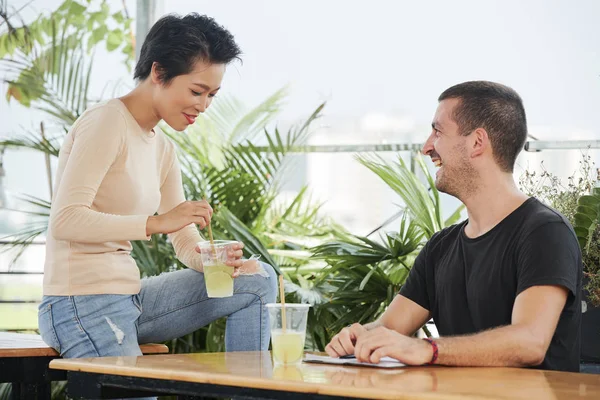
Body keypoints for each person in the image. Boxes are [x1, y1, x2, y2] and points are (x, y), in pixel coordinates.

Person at [38, 13, 278, 366]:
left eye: (212, 95)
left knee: (257, 279)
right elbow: (66, 220)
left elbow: (184, 240)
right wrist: (154, 222)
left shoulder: (163, 148)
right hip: (79, 302)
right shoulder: (107, 122)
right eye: (197, 91)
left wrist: (215, 260)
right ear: (158, 72)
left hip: (131, 299)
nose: (204, 105)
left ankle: (246, 389)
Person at [325, 81, 582, 372]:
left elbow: (530, 342)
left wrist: (426, 349)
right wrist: (359, 338)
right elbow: (390, 328)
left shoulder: (545, 232)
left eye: (437, 131)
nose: (426, 147)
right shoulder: (441, 246)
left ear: (477, 142)